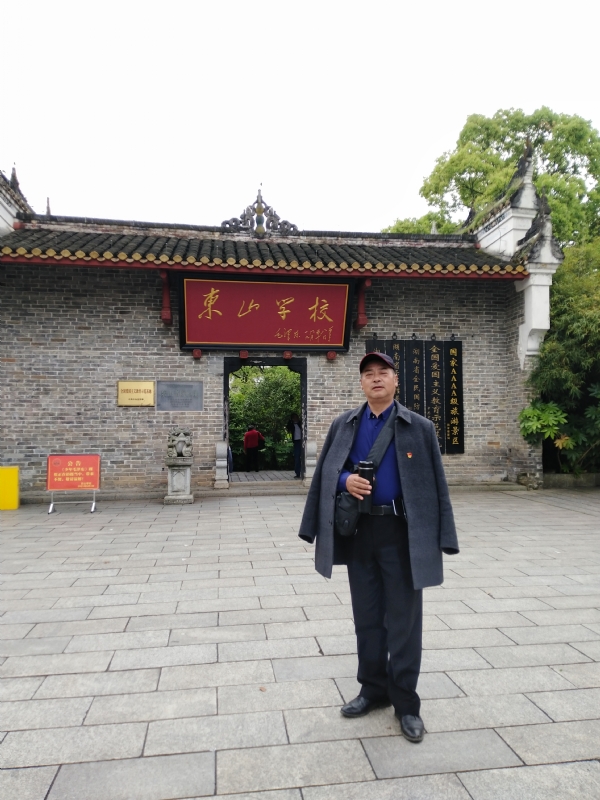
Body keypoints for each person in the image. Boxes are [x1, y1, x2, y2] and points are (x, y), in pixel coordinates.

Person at [298, 352, 459, 743]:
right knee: (367, 616)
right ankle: (373, 689)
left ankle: (406, 703)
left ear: (395, 380)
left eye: (382, 372)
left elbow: (437, 484)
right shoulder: (344, 424)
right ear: (361, 383)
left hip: (401, 533)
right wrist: (346, 481)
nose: (375, 378)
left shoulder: (418, 427)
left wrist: (445, 537)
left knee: (404, 621)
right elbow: (328, 472)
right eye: (368, 374)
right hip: (360, 533)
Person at [287, 413, 303, 478]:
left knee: (304, 457)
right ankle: (298, 473)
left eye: (296, 417)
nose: (296, 418)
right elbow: (288, 427)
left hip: (302, 441)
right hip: (296, 442)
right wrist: (291, 421)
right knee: (297, 457)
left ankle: (303, 472)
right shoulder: (292, 425)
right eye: (294, 418)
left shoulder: (300, 423)